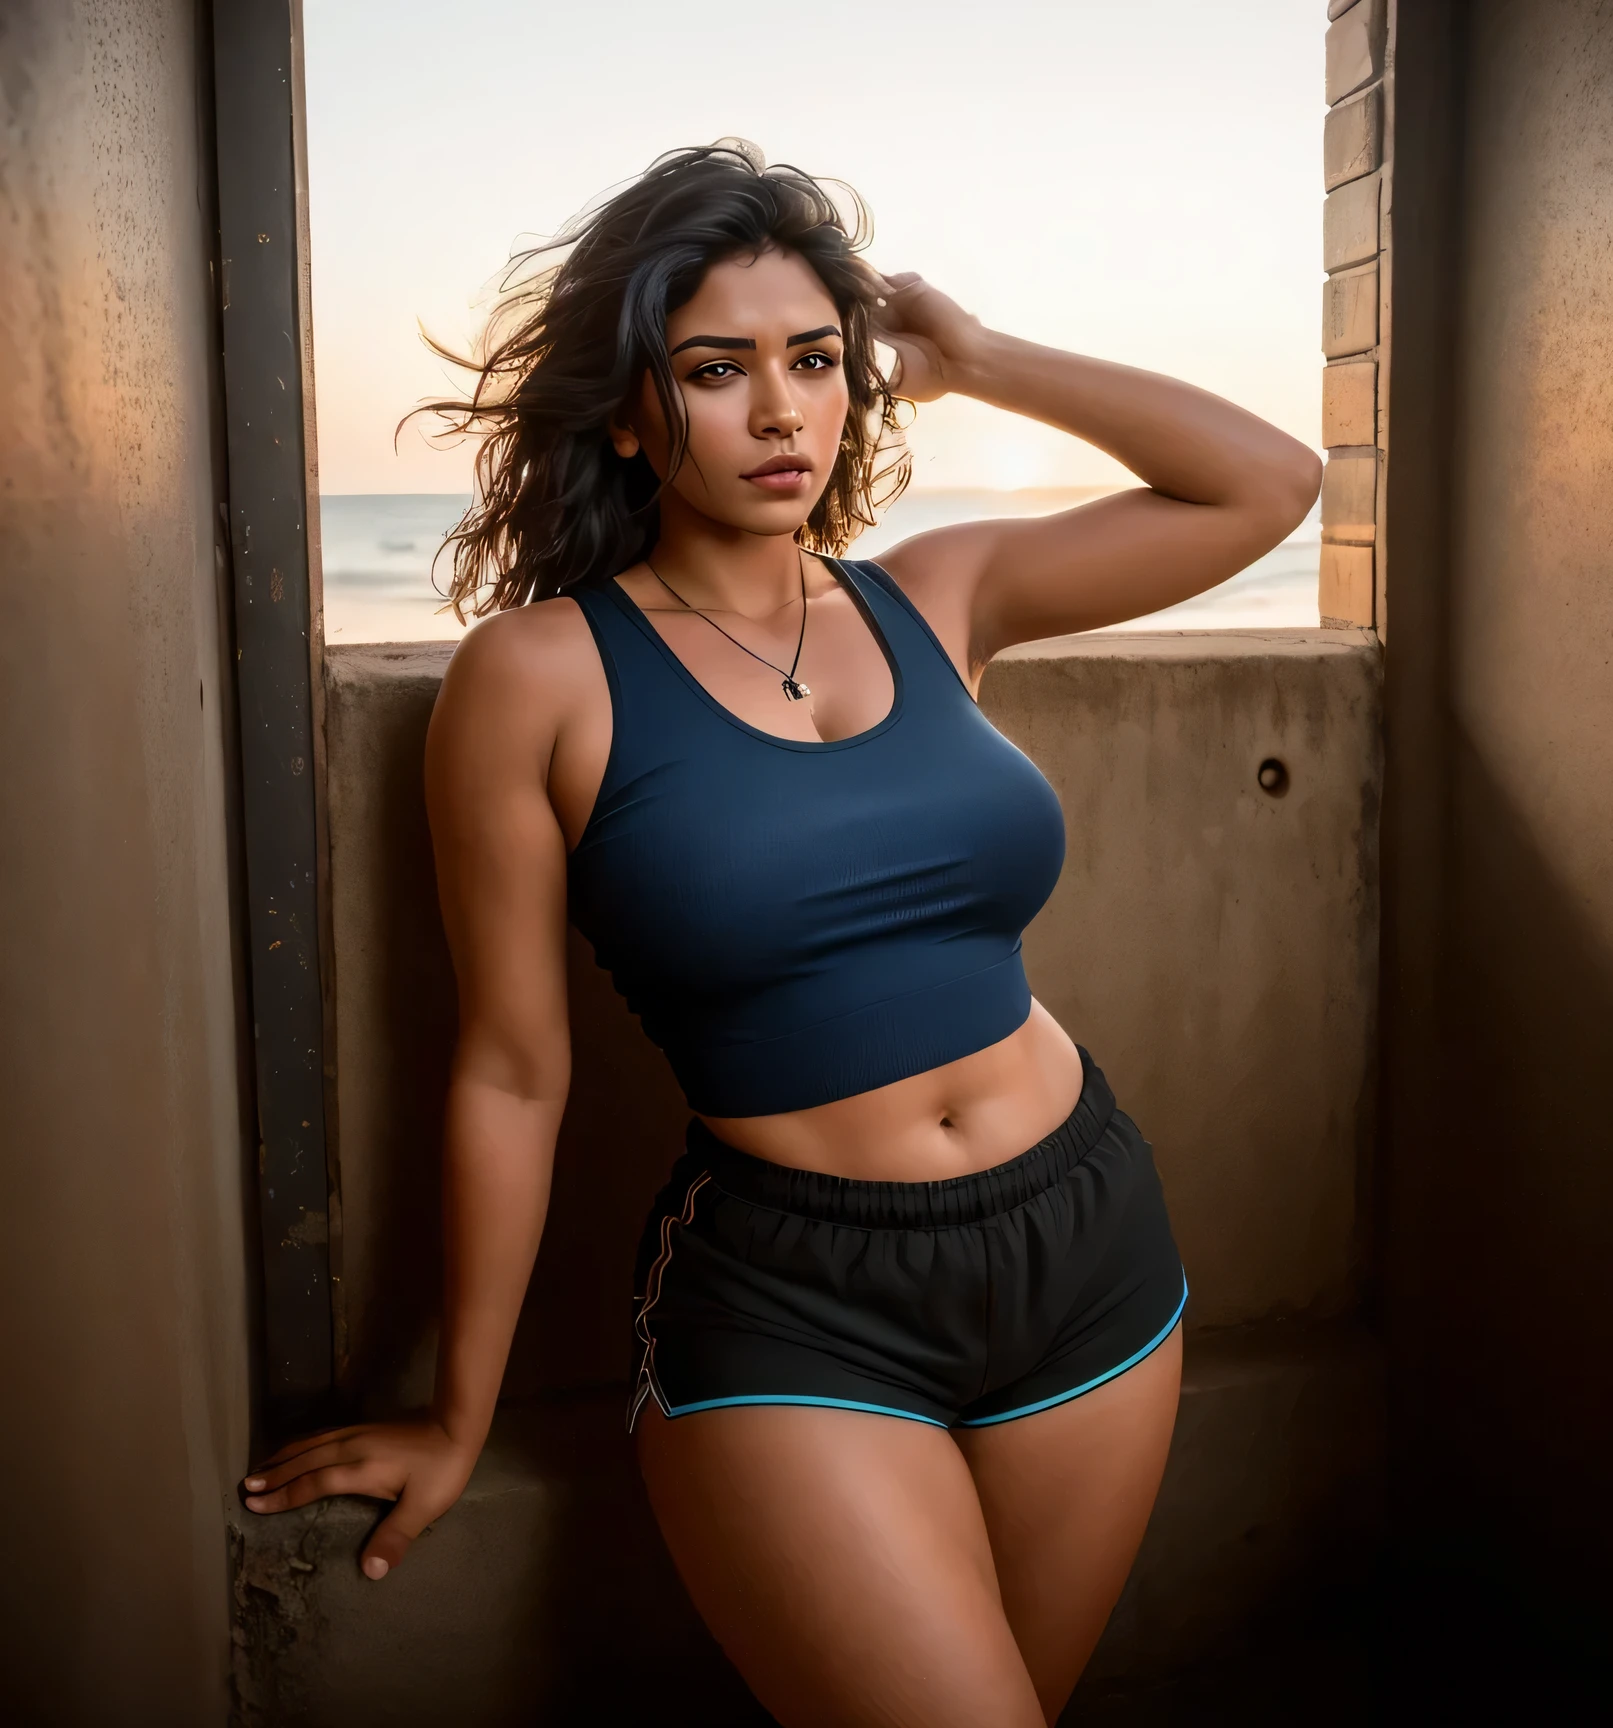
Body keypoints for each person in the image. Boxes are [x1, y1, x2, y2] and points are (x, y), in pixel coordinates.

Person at [241, 143, 1320, 1727]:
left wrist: (984, 359)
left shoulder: (937, 595)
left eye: (814, 361)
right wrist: (455, 1411)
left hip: (1088, 1243)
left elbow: (1269, 484)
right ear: (629, 409)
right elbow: (508, 1073)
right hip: (801, 1302)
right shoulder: (537, 677)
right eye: (716, 369)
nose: (780, 410)